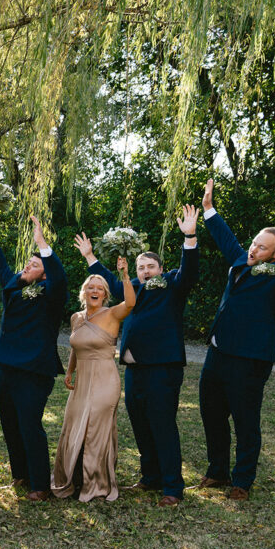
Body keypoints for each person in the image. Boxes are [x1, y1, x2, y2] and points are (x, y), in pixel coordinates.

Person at [198, 182, 275, 500]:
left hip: (250, 358)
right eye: (254, 243)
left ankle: (242, 481)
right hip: (218, 351)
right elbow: (226, 240)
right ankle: (217, 472)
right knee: (211, 413)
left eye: (262, 248)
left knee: (245, 419)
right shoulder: (242, 261)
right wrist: (209, 209)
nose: (254, 250)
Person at [76, 204, 200, 506]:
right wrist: (90, 256)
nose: (145, 271)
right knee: (141, 424)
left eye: (150, 267)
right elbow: (108, 279)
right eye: (141, 267)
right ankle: (151, 476)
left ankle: (172, 486)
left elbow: (190, 271)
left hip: (162, 368)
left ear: (160, 269)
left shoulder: (172, 284)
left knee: (162, 425)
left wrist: (190, 237)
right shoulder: (131, 289)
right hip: (133, 369)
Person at [0, 213, 68, 501]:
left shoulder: (51, 292)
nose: (26, 266)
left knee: (29, 424)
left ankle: (40, 485)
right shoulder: (16, 288)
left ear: (45, 273)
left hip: (34, 369)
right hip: (7, 365)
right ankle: (20, 475)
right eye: (28, 262)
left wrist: (43, 245)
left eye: (34, 265)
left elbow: (59, 278)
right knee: (9, 422)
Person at [51, 260, 135, 502]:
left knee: (96, 428)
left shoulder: (112, 314)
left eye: (99, 288)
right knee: (74, 424)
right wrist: (70, 371)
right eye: (91, 287)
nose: (95, 291)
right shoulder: (76, 318)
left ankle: (96, 483)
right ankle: (74, 479)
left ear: (106, 294)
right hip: (82, 381)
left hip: (105, 381)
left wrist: (125, 274)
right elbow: (76, 347)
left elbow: (130, 302)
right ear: (84, 293)